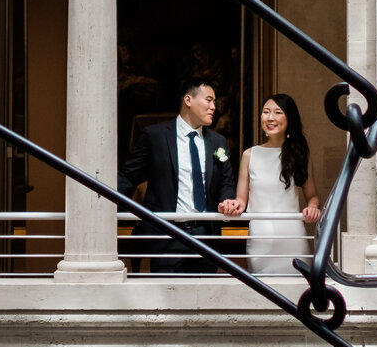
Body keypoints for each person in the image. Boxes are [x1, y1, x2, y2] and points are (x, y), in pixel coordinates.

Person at [120, 75, 229, 273]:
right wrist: (101, 208)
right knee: (166, 298)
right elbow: (128, 176)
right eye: (209, 100)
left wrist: (226, 200)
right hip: (167, 235)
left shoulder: (218, 143)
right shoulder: (155, 136)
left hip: (206, 236)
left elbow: (226, 182)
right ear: (188, 100)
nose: (214, 106)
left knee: (204, 297)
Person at [218, 93, 324, 279]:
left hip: (292, 239)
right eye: (266, 112)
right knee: (263, 292)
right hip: (260, 240)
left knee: (296, 293)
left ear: (289, 118)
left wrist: (313, 207)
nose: (270, 117)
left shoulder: (300, 153)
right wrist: (231, 205)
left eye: (277, 112)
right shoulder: (249, 155)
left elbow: (312, 196)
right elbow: (241, 201)